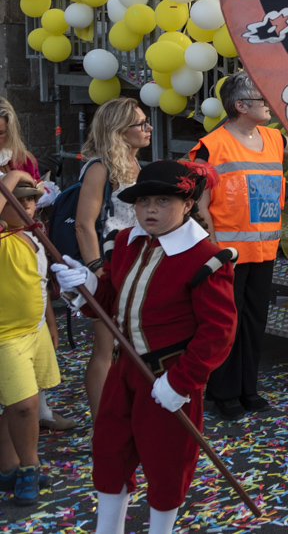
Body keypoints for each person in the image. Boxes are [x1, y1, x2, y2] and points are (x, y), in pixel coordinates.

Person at [52, 160, 236, 534]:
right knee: (109, 452)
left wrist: (182, 382)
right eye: (143, 201)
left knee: (166, 462)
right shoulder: (125, 243)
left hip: (167, 380)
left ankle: (161, 530)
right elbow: (110, 301)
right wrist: (83, 283)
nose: (150, 210)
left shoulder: (205, 258)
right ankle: (108, 528)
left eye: (163, 201)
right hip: (122, 372)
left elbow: (218, 332)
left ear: (187, 205)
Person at [189, 71, 288, 419]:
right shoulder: (211, 145)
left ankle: (247, 388)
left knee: (254, 322)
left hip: (264, 250)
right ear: (240, 105)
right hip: (226, 254)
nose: (268, 104)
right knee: (226, 324)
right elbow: (199, 205)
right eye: (261, 99)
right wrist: (213, 247)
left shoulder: (273, 138)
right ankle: (222, 392)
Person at [77, 97, 151, 419]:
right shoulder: (99, 167)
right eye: (141, 124)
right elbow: (83, 224)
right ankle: (101, 424)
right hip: (108, 265)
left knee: (133, 342)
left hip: (135, 261)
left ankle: (126, 412)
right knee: (105, 345)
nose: (148, 128)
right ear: (120, 131)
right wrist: (98, 272)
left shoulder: (138, 165)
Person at [0, 171, 54, 506]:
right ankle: (30, 467)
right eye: (17, 201)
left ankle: (8, 467)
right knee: (25, 406)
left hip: (34, 330)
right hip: (7, 335)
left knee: (16, 402)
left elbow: (41, 283)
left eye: (31, 199)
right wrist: (16, 174)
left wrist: (49, 322)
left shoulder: (33, 236)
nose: (27, 207)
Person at [0, 99, 40, 182]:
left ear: (9, 131)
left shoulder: (25, 161)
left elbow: (37, 193)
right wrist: (16, 176)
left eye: (0, 133)